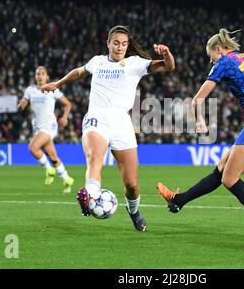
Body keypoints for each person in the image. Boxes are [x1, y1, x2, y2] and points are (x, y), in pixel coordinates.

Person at [157, 28, 244, 239]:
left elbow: (198, 98)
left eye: (211, 57)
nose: (211, 62)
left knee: (230, 179)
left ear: (219, 49)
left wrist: (199, 121)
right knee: (222, 170)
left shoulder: (224, 62)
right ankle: (178, 201)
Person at [41, 25, 175, 231]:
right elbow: (78, 72)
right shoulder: (98, 61)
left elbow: (169, 67)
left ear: (127, 45)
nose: (120, 47)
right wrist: (57, 83)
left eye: (124, 44)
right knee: (95, 157)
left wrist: (167, 54)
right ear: (108, 43)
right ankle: (90, 195)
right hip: (97, 117)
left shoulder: (135, 64)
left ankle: (134, 212)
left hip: (122, 122)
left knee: (132, 184)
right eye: (116, 43)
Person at [18, 66, 74, 193]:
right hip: (37, 126)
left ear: (47, 77)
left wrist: (64, 117)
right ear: (35, 77)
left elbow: (68, 104)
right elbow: (23, 105)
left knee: (32, 148)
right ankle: (67, 179)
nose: (40, 76)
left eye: (43, 73)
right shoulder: (30, 90)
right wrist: (20, 106)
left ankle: (49, 170)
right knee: (52, 156)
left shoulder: (52, 88)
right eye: (38, 74)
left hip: (49, 126)